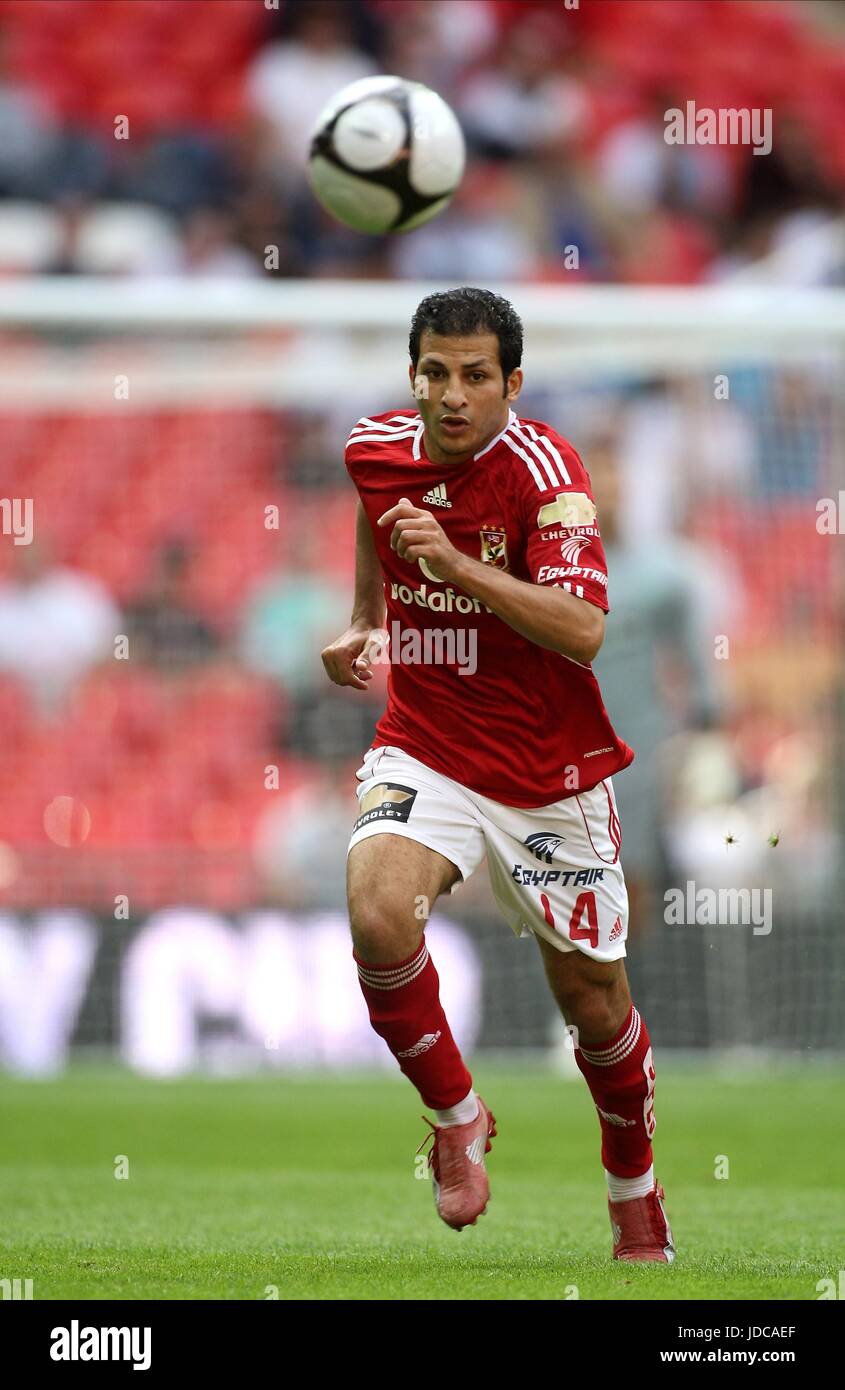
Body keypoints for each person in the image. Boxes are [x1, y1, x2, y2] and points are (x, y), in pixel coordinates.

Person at [321, 287, 674, 1263]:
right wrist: (366, 618)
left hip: (545, 771)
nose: (451, 394)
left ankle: (633, 1193)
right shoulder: (375, 447)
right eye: (434, 372)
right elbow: (378, 512)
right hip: (425, 740)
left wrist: (460, 567)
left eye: (475, 375)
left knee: (593, 1000)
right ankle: (455, 1116)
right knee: (376, 908)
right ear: (413, 376)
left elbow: (583, 629)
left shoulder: (545, 473)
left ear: (510, 383)